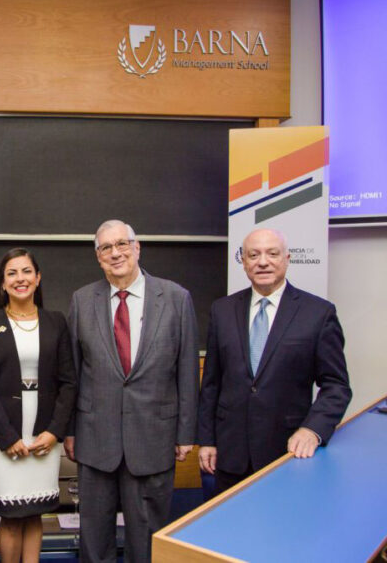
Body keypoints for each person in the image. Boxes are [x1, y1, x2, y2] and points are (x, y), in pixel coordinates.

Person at [66, 219, 199, 563]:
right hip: (96, 439)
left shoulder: (175, 297)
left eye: (122, 244)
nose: (115, 253)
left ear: (137, 248)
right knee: (94, 540)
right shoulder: (82, 300)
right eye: (106, 248)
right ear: (98, 257)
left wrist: (186, 432)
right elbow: (73, 373)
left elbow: (187, 369)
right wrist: (69, 431)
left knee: (148, 539)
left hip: (154, 436)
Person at [197, 228, 352, 494]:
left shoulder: (318, 313)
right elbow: (212, 382)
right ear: (243, 262)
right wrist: (207, 440)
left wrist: (312, 430)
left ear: (287, 258)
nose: (263, 261)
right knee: (226, 533)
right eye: (253, 255)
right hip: (230, 454)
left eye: (272, 253)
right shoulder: (222, 310)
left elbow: (336, 386)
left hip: (287, 453)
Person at [0, 248, 77, 563]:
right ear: (3, 284)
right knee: (12, 514)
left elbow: (68, 382)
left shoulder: (56, 321)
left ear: (38, 277)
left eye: (27, 271)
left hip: (45, 433)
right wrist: (7, 437)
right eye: (12, 273)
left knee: (35, 514)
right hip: (3, 434)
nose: (20, 279)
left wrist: (54, 432)